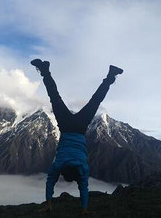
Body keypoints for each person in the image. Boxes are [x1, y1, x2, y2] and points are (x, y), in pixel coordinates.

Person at [31, 59, 123, 215]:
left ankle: (111, 75)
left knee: (95, 101)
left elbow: (84, 190)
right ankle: (44, 70)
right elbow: (49, 183)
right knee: (55, 97)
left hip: (80, 127)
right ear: (64, 172)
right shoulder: (58, 165)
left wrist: (84, 209)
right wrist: (48, 202)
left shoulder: (83, 169)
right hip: (66, 126)